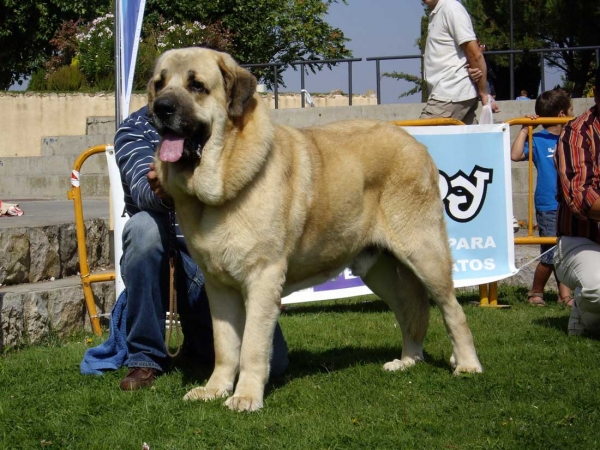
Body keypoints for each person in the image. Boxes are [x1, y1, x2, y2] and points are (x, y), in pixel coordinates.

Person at [114, 105, 289, 390]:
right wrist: (170, 189)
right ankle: (145, 357)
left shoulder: (221, 124)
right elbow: (143, 192)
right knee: (143, 229)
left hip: (220, 264)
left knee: (277, 362)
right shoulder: (134, 130)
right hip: (172, 265)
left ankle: (201, 346)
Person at [510, 88, 574, 307]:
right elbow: (516, 154)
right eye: (570, 111)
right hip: (548, 204)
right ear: (561, 114)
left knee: (563, 249)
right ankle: (536, 291)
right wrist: (525, 129)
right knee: (550, 252)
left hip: (570, 202)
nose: (573, 115)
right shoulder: (538, 138)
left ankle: (564, 294)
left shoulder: (572, 136)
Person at [553, 68, 600, 336]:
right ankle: (584, 310)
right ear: (596, 93)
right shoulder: (576, 132)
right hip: (581, 239)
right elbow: (580, 199)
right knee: (597, 288)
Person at [420, 0, 489, 125]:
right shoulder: (438, 12)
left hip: (449, 94)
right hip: (452, 94)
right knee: (469, 143)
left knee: (418, 139)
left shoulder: (451, 8)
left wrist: (484, 93)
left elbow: (475, 54)